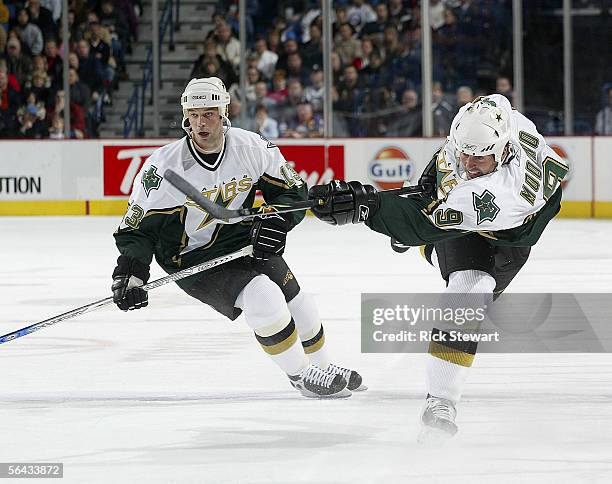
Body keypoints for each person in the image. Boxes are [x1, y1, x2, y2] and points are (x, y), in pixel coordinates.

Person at [307, 94, 568, 438]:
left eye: (481, 159)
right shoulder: (486, 121)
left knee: (471, 283)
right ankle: (441, 400)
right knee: (467, 287)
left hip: (506, 241)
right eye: (466, 153)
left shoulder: (508, 192)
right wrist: (416, 201)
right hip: (467, 220)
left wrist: (366, 209)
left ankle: (428, 253)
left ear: (503, 152)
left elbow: (427, 223)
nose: (470, 164)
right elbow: (442, 176)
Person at [111, 77, 365, 399]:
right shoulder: (164, 168)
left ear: (224, 112)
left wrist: (278, 222)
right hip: (193, 258)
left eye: (209, 114)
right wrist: (130, 273)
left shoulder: (251, 147)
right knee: (264, 297)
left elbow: (293, 194)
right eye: (194, 115)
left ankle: (324, 365)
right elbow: (138, 229)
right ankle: (300, 375)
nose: (200, 123)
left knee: (299, 301)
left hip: (244, 242)